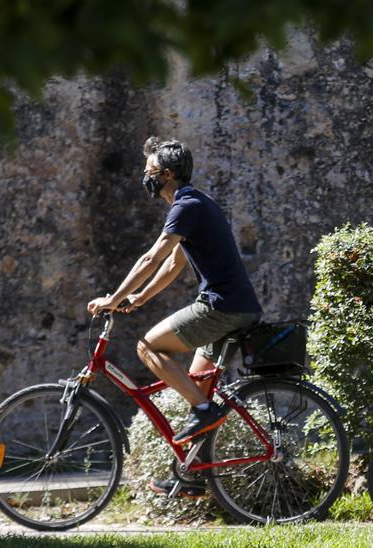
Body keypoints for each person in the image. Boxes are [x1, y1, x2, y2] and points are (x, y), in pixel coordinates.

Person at [86, 137, 262, 498]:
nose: (144, 176)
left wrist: (113, 299)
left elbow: (152, 258)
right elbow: (173, 264)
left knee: (148, 346)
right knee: (196, 387)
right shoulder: (195, 205)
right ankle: (192, 474)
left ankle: (203, 411)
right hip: (234, 306)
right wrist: (137, 298)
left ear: (166, 174)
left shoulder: (187, 206)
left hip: (221, 306)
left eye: (148, 171)